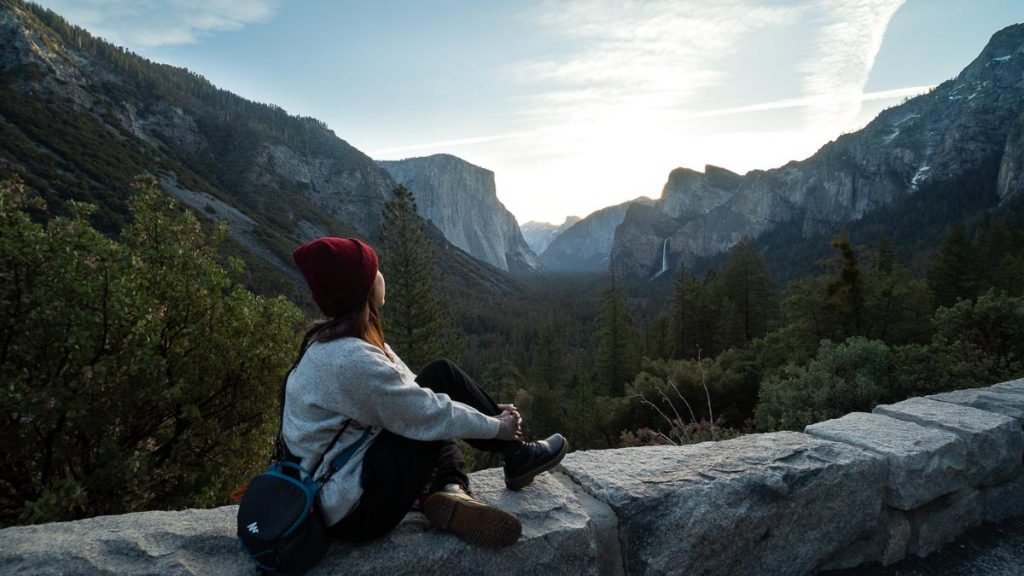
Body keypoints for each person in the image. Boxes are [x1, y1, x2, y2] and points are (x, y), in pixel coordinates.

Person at [281, 237, 568, 548]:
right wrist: (498, 427)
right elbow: (424, 411)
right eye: (374, 270)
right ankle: (515, 454)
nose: (381, 276)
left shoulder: (331, 341)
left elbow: (411, 391)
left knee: (435, 398)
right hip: (355, 511)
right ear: (362, 288)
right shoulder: (351, 359)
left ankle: (451, 488)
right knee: (436, 397)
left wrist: (483, 411)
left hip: (338, 492)